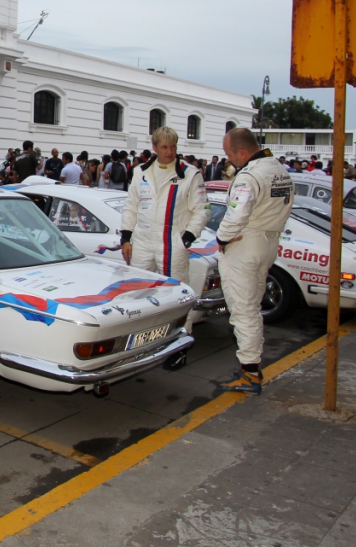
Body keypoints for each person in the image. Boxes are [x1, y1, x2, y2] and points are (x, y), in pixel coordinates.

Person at [213, 129, 294, 394]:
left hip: (245, 246)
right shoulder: (278, 169)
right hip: (269, 242)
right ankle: (252, 364)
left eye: (229, 154)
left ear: (242, 152)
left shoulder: (248, 176)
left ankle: (249, 373)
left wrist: (222, 238)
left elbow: (237, 215)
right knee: (253, 306)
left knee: (243, 310)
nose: (229, 160)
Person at [121, 126, 208, 299]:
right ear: (155, 147)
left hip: (172, 242)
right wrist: (125, 239)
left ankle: (183, 327)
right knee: (136, 291)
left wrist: (188, 237)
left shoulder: (190, 174)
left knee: (177, 294)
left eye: (173, 147)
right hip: (143, 241)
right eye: (165, 147)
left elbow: (203, 210)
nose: (170, 151)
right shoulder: (140, 172)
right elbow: (131, 206)